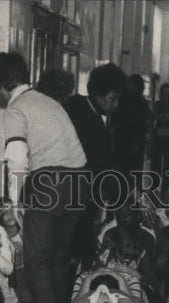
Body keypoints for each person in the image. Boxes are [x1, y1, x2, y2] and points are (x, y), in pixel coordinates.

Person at [0, 52, 88, 303]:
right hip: (81, 181)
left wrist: (13, 201)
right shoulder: (48, 101)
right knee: (58, 260)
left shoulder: (16, 108)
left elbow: (17, 158)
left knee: (37, 263)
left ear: (0, 84)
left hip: (51, 183)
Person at [64, 63, 129, 265]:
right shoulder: (88, 120)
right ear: (99, 95)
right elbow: (103, 165)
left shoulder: (77, 104)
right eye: (112, 99)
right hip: (77, 194)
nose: (116, 105)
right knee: (79, 251)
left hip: (75, 191)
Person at [112, 73, 151, 178]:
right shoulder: (138, 101)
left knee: (122, 170)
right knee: (133, 171)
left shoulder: (121, 100)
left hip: (122, 139)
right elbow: (146, 120)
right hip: (132, 139)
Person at [151, 82, 169, 185]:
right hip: (159, 134)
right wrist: (167, 117)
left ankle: (166, 184)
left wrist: (163, 117)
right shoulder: (158, 103)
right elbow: (156, 116)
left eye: (168, 91)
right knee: (156, 161)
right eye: (164, 91)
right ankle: (155, 182)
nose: (166, 93)